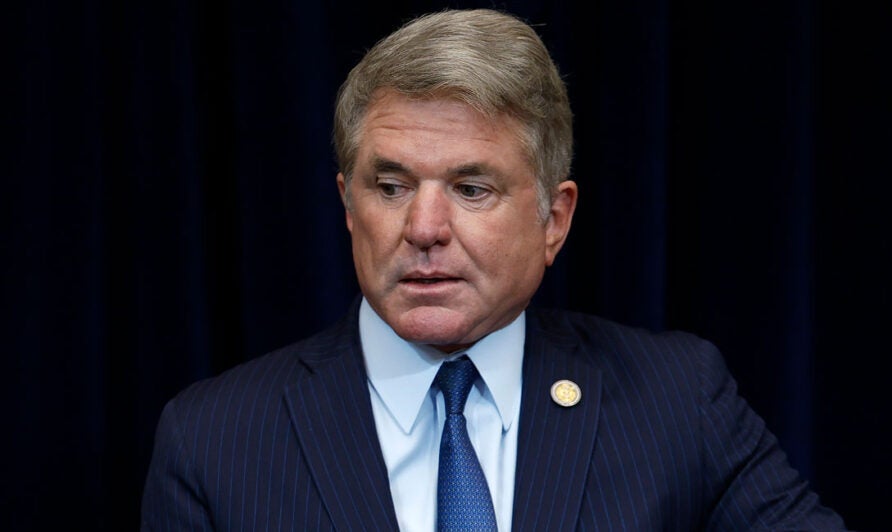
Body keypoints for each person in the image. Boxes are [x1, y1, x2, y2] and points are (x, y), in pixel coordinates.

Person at [141, 8, 846, 531]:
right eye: (390, 188)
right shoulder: (214, 439)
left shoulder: (677, 400)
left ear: (554, 219)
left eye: (471, 189)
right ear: (348, 206)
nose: (422, 228)